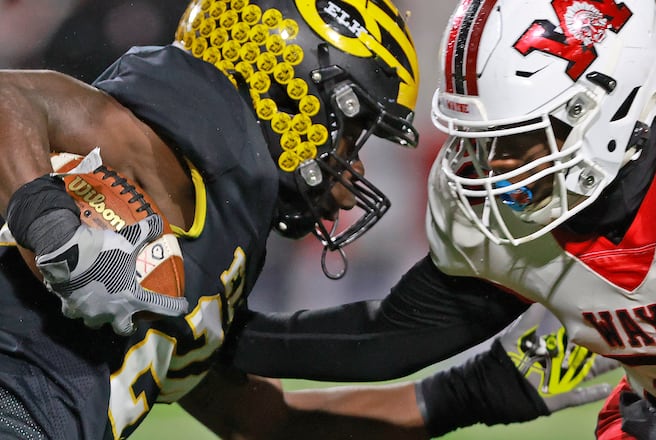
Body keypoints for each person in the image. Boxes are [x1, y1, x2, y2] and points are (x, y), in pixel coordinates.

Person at [218, 0, 656, 438]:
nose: (497, 171)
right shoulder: (518, 245)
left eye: (520, 140)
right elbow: (389, 340)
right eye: (484, 144)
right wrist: (208, 333)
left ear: (613, 102)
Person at [0, 0, 430, 437]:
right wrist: (56, 234)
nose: (351, 176)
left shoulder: (219, 235)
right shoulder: (158, 154)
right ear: (294, 94)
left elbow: (267, 423)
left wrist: (473, 392)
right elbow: (8, 98)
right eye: (349, 139)